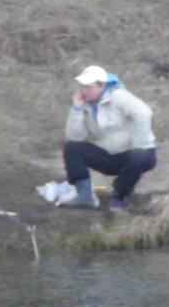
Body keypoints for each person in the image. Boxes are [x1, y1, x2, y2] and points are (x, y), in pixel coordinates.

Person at [59, 65, 157, 212]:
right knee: (72, 148)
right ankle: (84, 196)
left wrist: (139, 144)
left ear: (101, 86)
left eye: (88, 87)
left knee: (138, 157)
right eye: (81, 86)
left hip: (137, 154)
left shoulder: (118, 96)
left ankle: (119, 197)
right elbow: (74, 137)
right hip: (109, 156)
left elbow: (143, 113)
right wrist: (77, 109)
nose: (83, 90)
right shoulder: (86, 105)